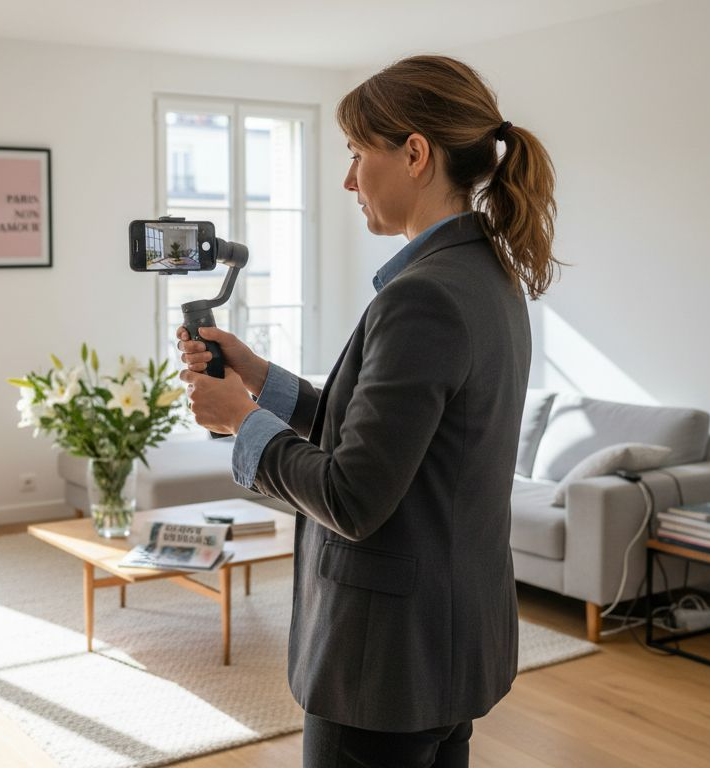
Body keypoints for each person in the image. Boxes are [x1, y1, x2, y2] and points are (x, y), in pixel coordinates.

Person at [176, 54, 560, 768]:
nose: (348, 179)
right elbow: (390, 439)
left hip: (383, 663)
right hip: (445, 648)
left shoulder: (423, 296)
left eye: (357, 154)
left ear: (415, 153)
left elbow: (354, 496)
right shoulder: (486, 274)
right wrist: (259, 378)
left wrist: (240, 420)